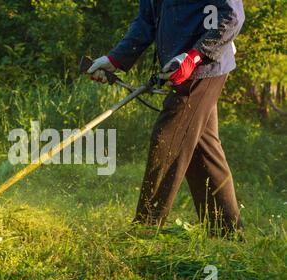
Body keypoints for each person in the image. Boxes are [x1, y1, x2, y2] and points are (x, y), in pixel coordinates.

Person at [87, 0, 245, 236]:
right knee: (203, 150)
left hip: (203, 69)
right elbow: (146, 20)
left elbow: (232, 16)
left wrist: (195, 56)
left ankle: (145, 228)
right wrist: (116, 59)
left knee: (168, 139)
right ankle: (226, 231)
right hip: (180, 68)